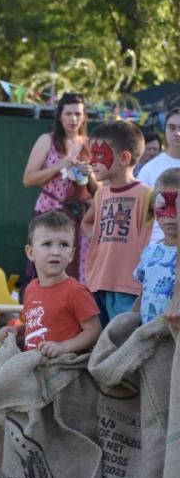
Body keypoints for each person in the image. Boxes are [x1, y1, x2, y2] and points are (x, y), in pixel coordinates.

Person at [81, 121, 153, 327]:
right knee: (99, 343)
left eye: (100, 154)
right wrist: (98, 241)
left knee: (123, 342)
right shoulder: (101, 195)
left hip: (128, 287)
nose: (92, 161)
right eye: (91, 153)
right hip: (97, 283)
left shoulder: (146, 193)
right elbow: (86, 223)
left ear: (124, 158)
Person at [2, 211, 101, 357]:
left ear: (72, 255)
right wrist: (17, 331)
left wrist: (63, 347)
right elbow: (38, 325)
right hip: (32, 366)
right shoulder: (30, 289)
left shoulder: (76, 292)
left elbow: (94, 331)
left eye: (64, 245)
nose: (56, 251)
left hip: (62, 368)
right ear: (30, 253)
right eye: (47, 244)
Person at [23, 92, 96, 284]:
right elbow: (28, 179)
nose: (73, 119)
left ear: (84, 117)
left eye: (78, 114)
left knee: (79, 269)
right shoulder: (47, 140)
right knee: (47, 264)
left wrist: (90, 174)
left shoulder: (89, 144)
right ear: (60, 116)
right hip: (50, 212)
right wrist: (60, 165)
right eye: (69, 114)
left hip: (82, 217)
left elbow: (100, 189)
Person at [132, 168, 180, 324]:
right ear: (154, 208)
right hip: (150, 337)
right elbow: (143, 293)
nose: (171, 215)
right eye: (163, 207)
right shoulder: (150, 252)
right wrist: (130, 324)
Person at [134, 108, 180, 244]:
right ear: (164, 129)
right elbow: (139, 213)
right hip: (157, 245)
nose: (177, 133)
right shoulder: (149, 169)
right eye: (172, 128)